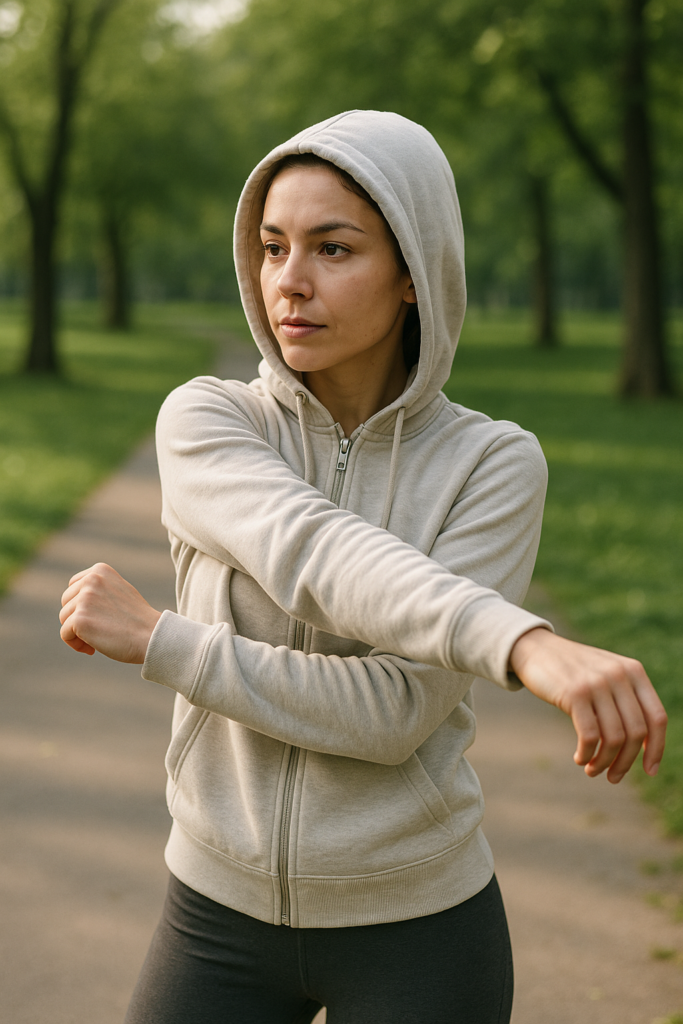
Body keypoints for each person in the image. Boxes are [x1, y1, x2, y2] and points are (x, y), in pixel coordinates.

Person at [59, 111, 666, 1024]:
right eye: (272, 247)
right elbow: (306, 546)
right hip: (213, 915)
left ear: (414, 274)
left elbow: (392, 716)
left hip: (420, 931)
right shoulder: (209, 419)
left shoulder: (491, 464)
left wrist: (162, 641)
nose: (288, 282)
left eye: (332, 249)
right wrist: (519, 642)